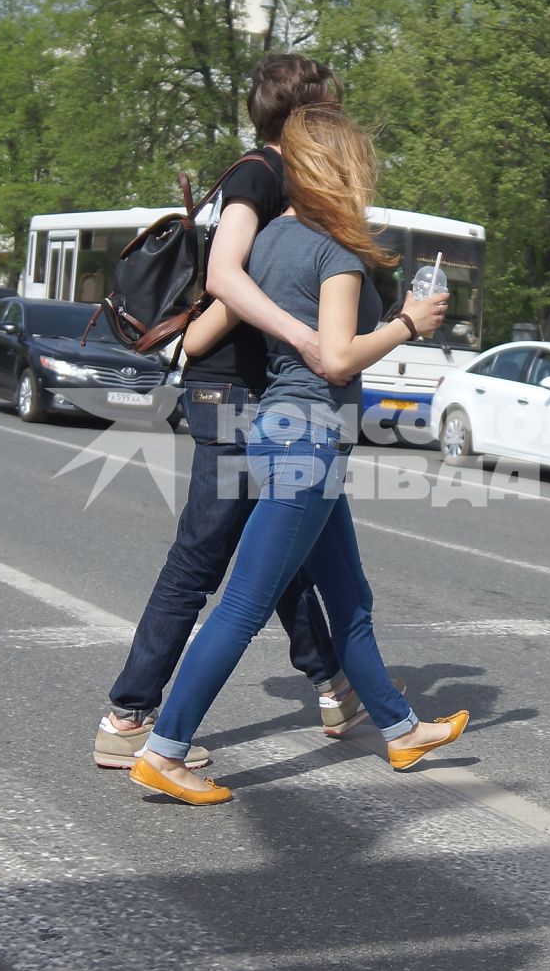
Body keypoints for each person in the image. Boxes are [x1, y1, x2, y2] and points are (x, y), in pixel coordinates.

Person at [129, 104, 466, 806]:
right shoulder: (336, 253)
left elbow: (215, 323)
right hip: (309, 437)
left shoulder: (269, 239)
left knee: (350, 597)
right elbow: (338, 359)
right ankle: (164, 749)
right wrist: (407, 322)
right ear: (343, 172)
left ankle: (401, 730)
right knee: (244, 604)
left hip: (281, 430)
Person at [93, 54, 384, 772]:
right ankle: (131, 714)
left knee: (276, 551)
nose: (341, 112)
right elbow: (226, 275)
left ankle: (334, 684)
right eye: (332, 102)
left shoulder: (298, 182)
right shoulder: (260, 172)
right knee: (205, 557)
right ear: (307, 110)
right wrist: (304, 334)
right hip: (233, 392)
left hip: (260, 393)